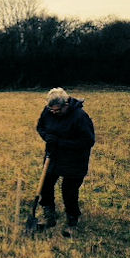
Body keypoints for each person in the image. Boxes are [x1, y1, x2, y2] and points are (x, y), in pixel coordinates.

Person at [36, 87, 95, 237]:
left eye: (57, 110)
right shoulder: (48, 111)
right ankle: (49, 215)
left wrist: (60, 142)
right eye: (51, 110)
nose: (53, 113)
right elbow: (40, 126)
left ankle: (72, 220)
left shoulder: (80, 117)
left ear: (66, 105)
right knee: (46, 184)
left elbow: (88, 141)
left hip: (74, 159)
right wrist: (47, 137)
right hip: (53, 156)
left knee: (69, 190)